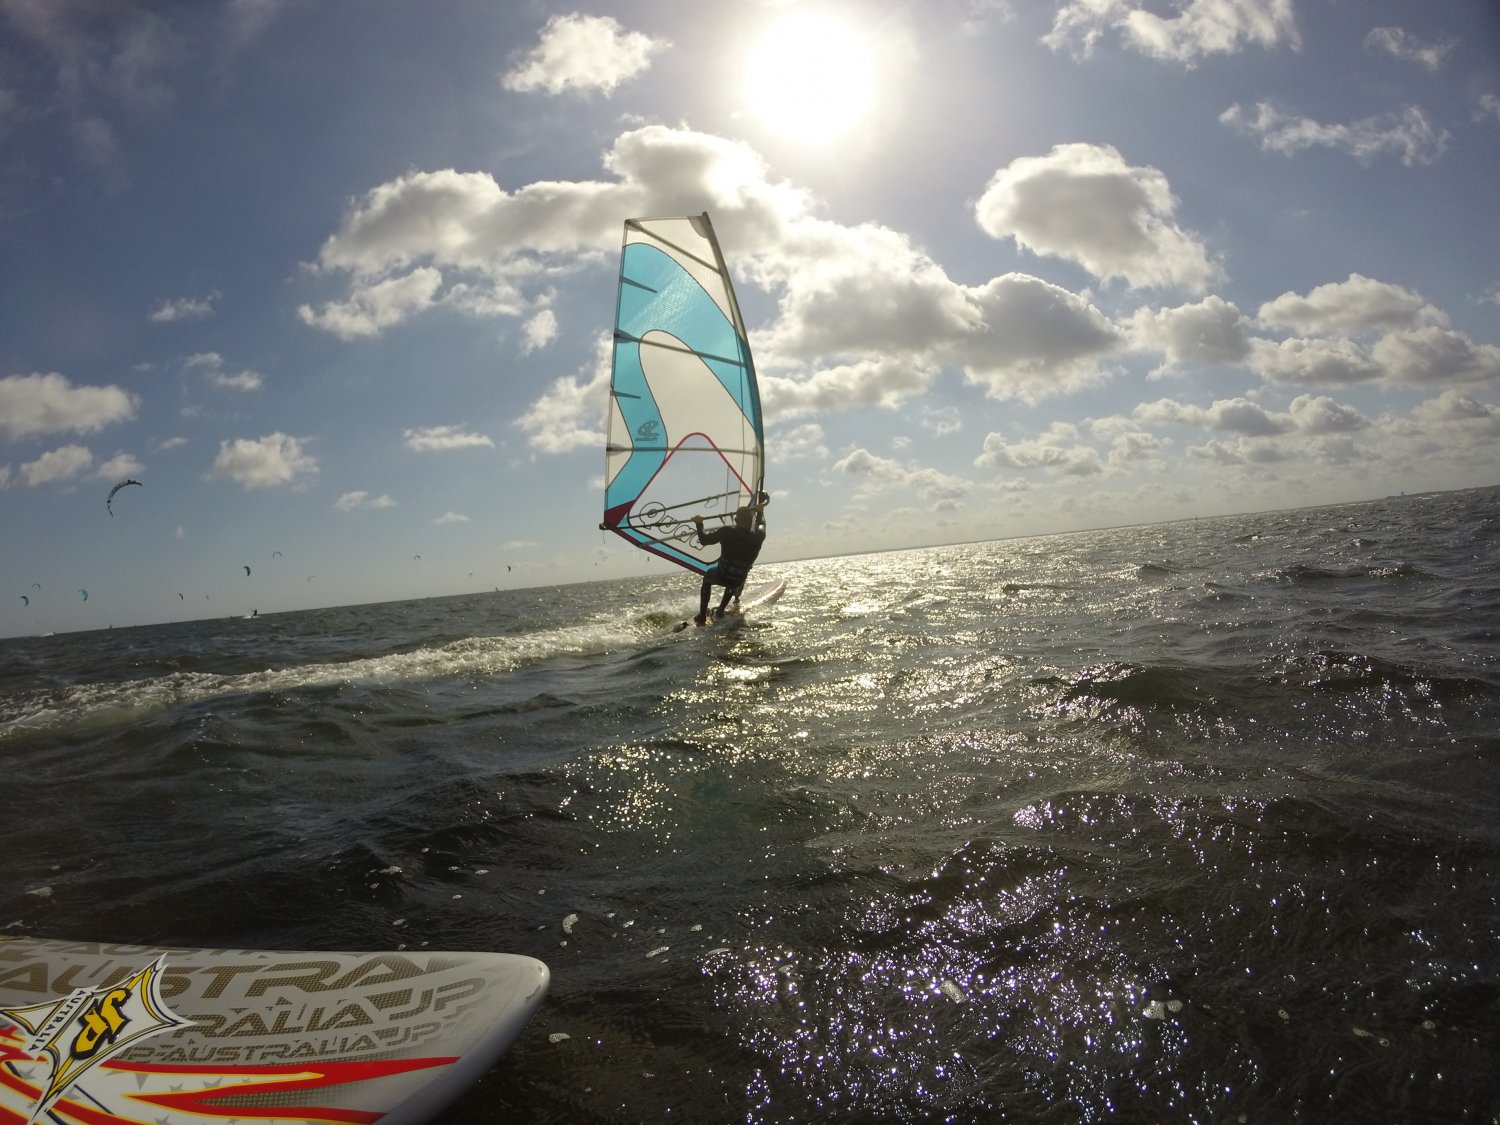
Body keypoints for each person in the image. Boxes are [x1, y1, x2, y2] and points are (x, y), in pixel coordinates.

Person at [691, 492, 769, 626]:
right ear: (751, 522)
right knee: (735, 580)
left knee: (708, 577)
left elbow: (704, 540)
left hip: (721, 575)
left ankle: (702, 615)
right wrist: (760, 512)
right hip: (737, 580)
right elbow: (761, 524)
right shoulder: (758, 537)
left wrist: (699, 524)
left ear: (736, 520)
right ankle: (721, 610)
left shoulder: (726, 532)